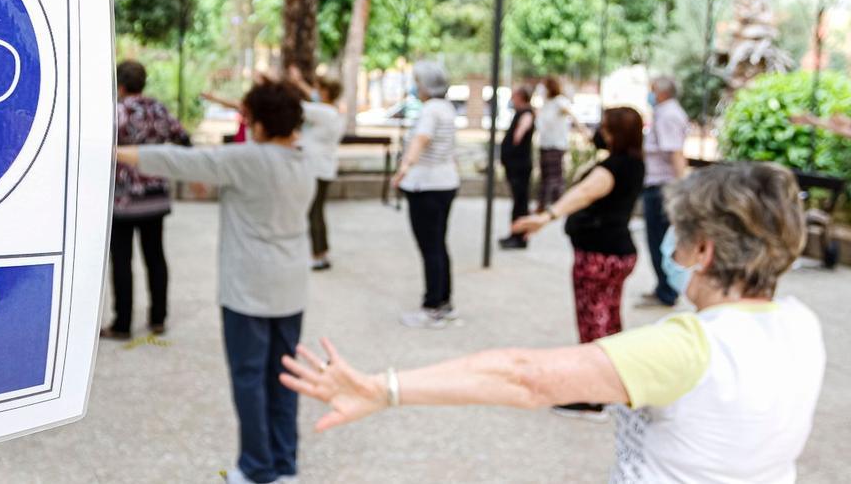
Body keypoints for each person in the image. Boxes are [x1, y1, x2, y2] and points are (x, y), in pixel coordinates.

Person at [282, 162, 824, 484]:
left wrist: (384, 389)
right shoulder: (801, 325)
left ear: (702, 250)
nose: (669, 247)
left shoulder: (691, 347)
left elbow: (525, 377)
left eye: (678, 235)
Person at [116, 79, 313, 484]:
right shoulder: (307, 157)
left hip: (248, 290)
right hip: (291, 288)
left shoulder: (248, 159)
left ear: (257, 124)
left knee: (249, 378)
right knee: (284, 378)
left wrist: (114, 151)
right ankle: (284, 465)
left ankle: (257, 468)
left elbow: (175, 161)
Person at [513, 106, 645, 418]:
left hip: (599, 255)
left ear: (614, 133)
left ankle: (593, 395)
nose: (599, 132)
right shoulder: (636, 164)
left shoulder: (611, 168)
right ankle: (616, 384)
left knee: (593, 321)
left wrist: (545, 217)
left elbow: (584, 193)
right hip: (620, 253)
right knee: (609, 318)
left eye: (604, 127)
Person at [102, 61, 192, 340]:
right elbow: (184, 139)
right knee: (155, 256)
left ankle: (123, 323)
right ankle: (158, 319)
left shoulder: (117, 111)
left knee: (122, 260)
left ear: (120, 85)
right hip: (156, 196)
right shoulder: (159, 109)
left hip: (123, 200)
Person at [390, 60, 460, 329]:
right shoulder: (447, 108)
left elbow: (421, 139)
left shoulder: (430, 110)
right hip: (445, 183)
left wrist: (404, 169)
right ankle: (444, 301)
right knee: (439, 245)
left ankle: (432, 306)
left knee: (430, 247)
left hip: (426, 186)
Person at [638, 76, 690, 309]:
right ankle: (663, 287)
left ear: (660, 93)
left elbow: (675, 153)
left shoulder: (668, 115)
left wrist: (682, 189)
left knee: (659, 240)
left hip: (663, 187)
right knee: (657, 239)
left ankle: (667, 290)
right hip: (661, 185)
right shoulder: (665, 113)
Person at [288, 66, 345, 271]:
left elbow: (298, 106)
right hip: (324, 168)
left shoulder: (322, 113)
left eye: (318, 88)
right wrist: (298, 82)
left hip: (316, 169)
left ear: (326, 92)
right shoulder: (331, 111)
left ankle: (318, 255)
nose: (314, 91)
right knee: (317, 211)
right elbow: (312, 97)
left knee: (313, 212)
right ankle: (322, 252)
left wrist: (275, 85)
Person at [499, 85, 535, 250]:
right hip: (515, 165)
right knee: (518, 202)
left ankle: (519, 236)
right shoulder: (522, 113)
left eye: (514, 95)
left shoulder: (526, 113)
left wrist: (515, 139)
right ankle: (516, 234)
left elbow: (520, 133)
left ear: (521, 96)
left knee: (520, 203)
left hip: (519, 166)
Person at [534, 76, 576, 212]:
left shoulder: (559, 102)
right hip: (545, 144)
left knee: (554, 176)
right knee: (546, 176)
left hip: (556, 145)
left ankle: (556, 205)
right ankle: (544, 203)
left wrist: (585, 132)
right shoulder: (546, 104)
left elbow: (571, 114)